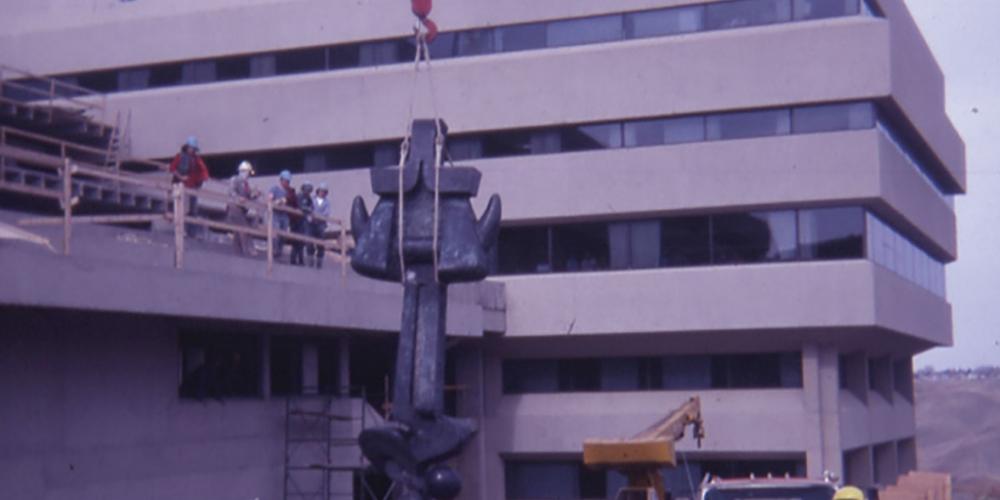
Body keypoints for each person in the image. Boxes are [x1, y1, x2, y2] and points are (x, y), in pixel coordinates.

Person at [168, 136, 210, 238]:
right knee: (182, 209)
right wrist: (181, 177)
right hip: (181, 187)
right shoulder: (180, 157)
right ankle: (180, 230)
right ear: (187, 147)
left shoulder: (197, 159)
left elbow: (204, 172)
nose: (192, 150)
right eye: (191, 148)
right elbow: (172, 168)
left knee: (193, 210)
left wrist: (202, 179)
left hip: (192, 188)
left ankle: (191, 232)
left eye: (194, 149)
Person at [227, 161, 261, 256]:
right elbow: (231, 191)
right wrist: (238, 198)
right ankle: (249, 249)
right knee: (245, 227)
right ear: (243, 171)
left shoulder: (246, 184)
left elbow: (248, 196)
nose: (248, 175)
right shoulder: (235, 179)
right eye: (247, 172)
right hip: (234, 207)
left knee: (239, 230)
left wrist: (255, 195)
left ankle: (237, 252)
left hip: (242, 209)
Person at [269, 170, 296, 259]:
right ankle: (274, 251)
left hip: (284, 215)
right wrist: (276, 202)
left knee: (283, 234)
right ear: (281, 180)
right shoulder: (274, 189)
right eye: (285, 181)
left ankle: (279, 252)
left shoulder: (290, 191)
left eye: (288, 181)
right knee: (275, 233)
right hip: (276, 214)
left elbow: (293, 201)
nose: (287, 183)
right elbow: (270, 200)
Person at [310, 182, 332, 268]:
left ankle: (319, 262)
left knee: (320, 243)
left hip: (321, 224)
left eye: (324, 192)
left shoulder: (327, 202)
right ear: (318, 191)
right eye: (321, 191)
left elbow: (326, 213)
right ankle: (310, 261)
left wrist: (319, 217)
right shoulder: (312, 199)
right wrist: (311, 217)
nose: (322, 193)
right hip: (311, 223)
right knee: (310, 241)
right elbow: (309, 209)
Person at [292, 181, 314, 266]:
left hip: (303, 221)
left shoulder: (308, 198)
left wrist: (309, 209)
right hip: (296, 221)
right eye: (307, 188)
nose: (308, 191)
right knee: (296, 241)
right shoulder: (299, 196)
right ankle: (293, 259)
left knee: (302, 241)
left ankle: (301, 259)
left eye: (309, 189)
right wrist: (307, 209)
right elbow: (299, 206)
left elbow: (312, 207)